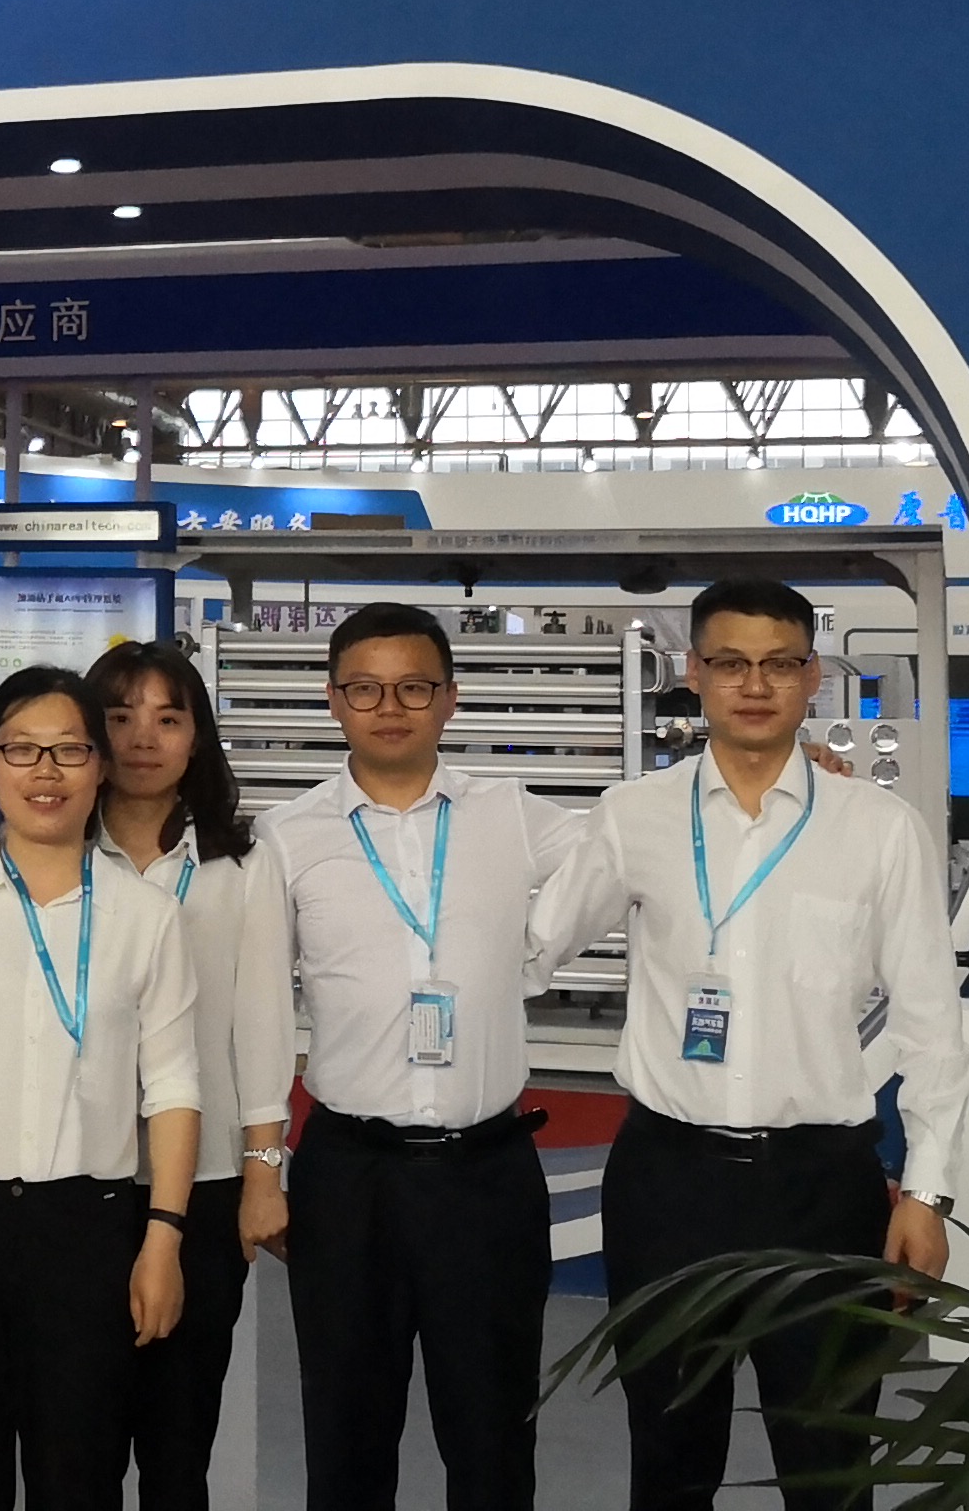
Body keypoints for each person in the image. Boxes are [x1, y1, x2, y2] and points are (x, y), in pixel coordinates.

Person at [583, 578, 969, 1511]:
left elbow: (931, 1022)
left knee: (829, 1458)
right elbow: (530, 940)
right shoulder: (632, 815)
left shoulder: (878, 829)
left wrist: (927, 1192)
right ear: (694, 673)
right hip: (666, 1181)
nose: (754, 686)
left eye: (779, 664)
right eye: (730, 663)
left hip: (822, 1189)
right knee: (668, 1457)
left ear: (812, 677)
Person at [243, 602, 599, 1511]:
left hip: (485, 1176)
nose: (389, 707)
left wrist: (531, 956)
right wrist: (263, 1169)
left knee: (492, 1436)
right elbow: (260, 1016)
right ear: (334, 700)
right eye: (365, 689)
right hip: (348, 1176)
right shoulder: (288, 835)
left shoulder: (510, 814)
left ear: (450, 698)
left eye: (413, 687)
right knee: (346, 1435)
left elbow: (628, 854)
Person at [0, 665, 203, 1511]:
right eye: (22, 749)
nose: (44, 772)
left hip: (88, 1231)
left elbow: (172, 1087)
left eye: (68, 751)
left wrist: (162, 1241)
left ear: (99, 767)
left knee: (80, 1477)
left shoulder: (146, 917)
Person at [78, 641, 289, 1511]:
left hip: (202, 1183)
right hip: (76, 1180)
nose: (143, 738)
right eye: (120, 716)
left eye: (168, 718)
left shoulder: (241, 861)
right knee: (80, 1439)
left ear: (197, 736)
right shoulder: (56, 851)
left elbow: (263, 1024)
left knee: (178, 1441)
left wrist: (262, 1176)